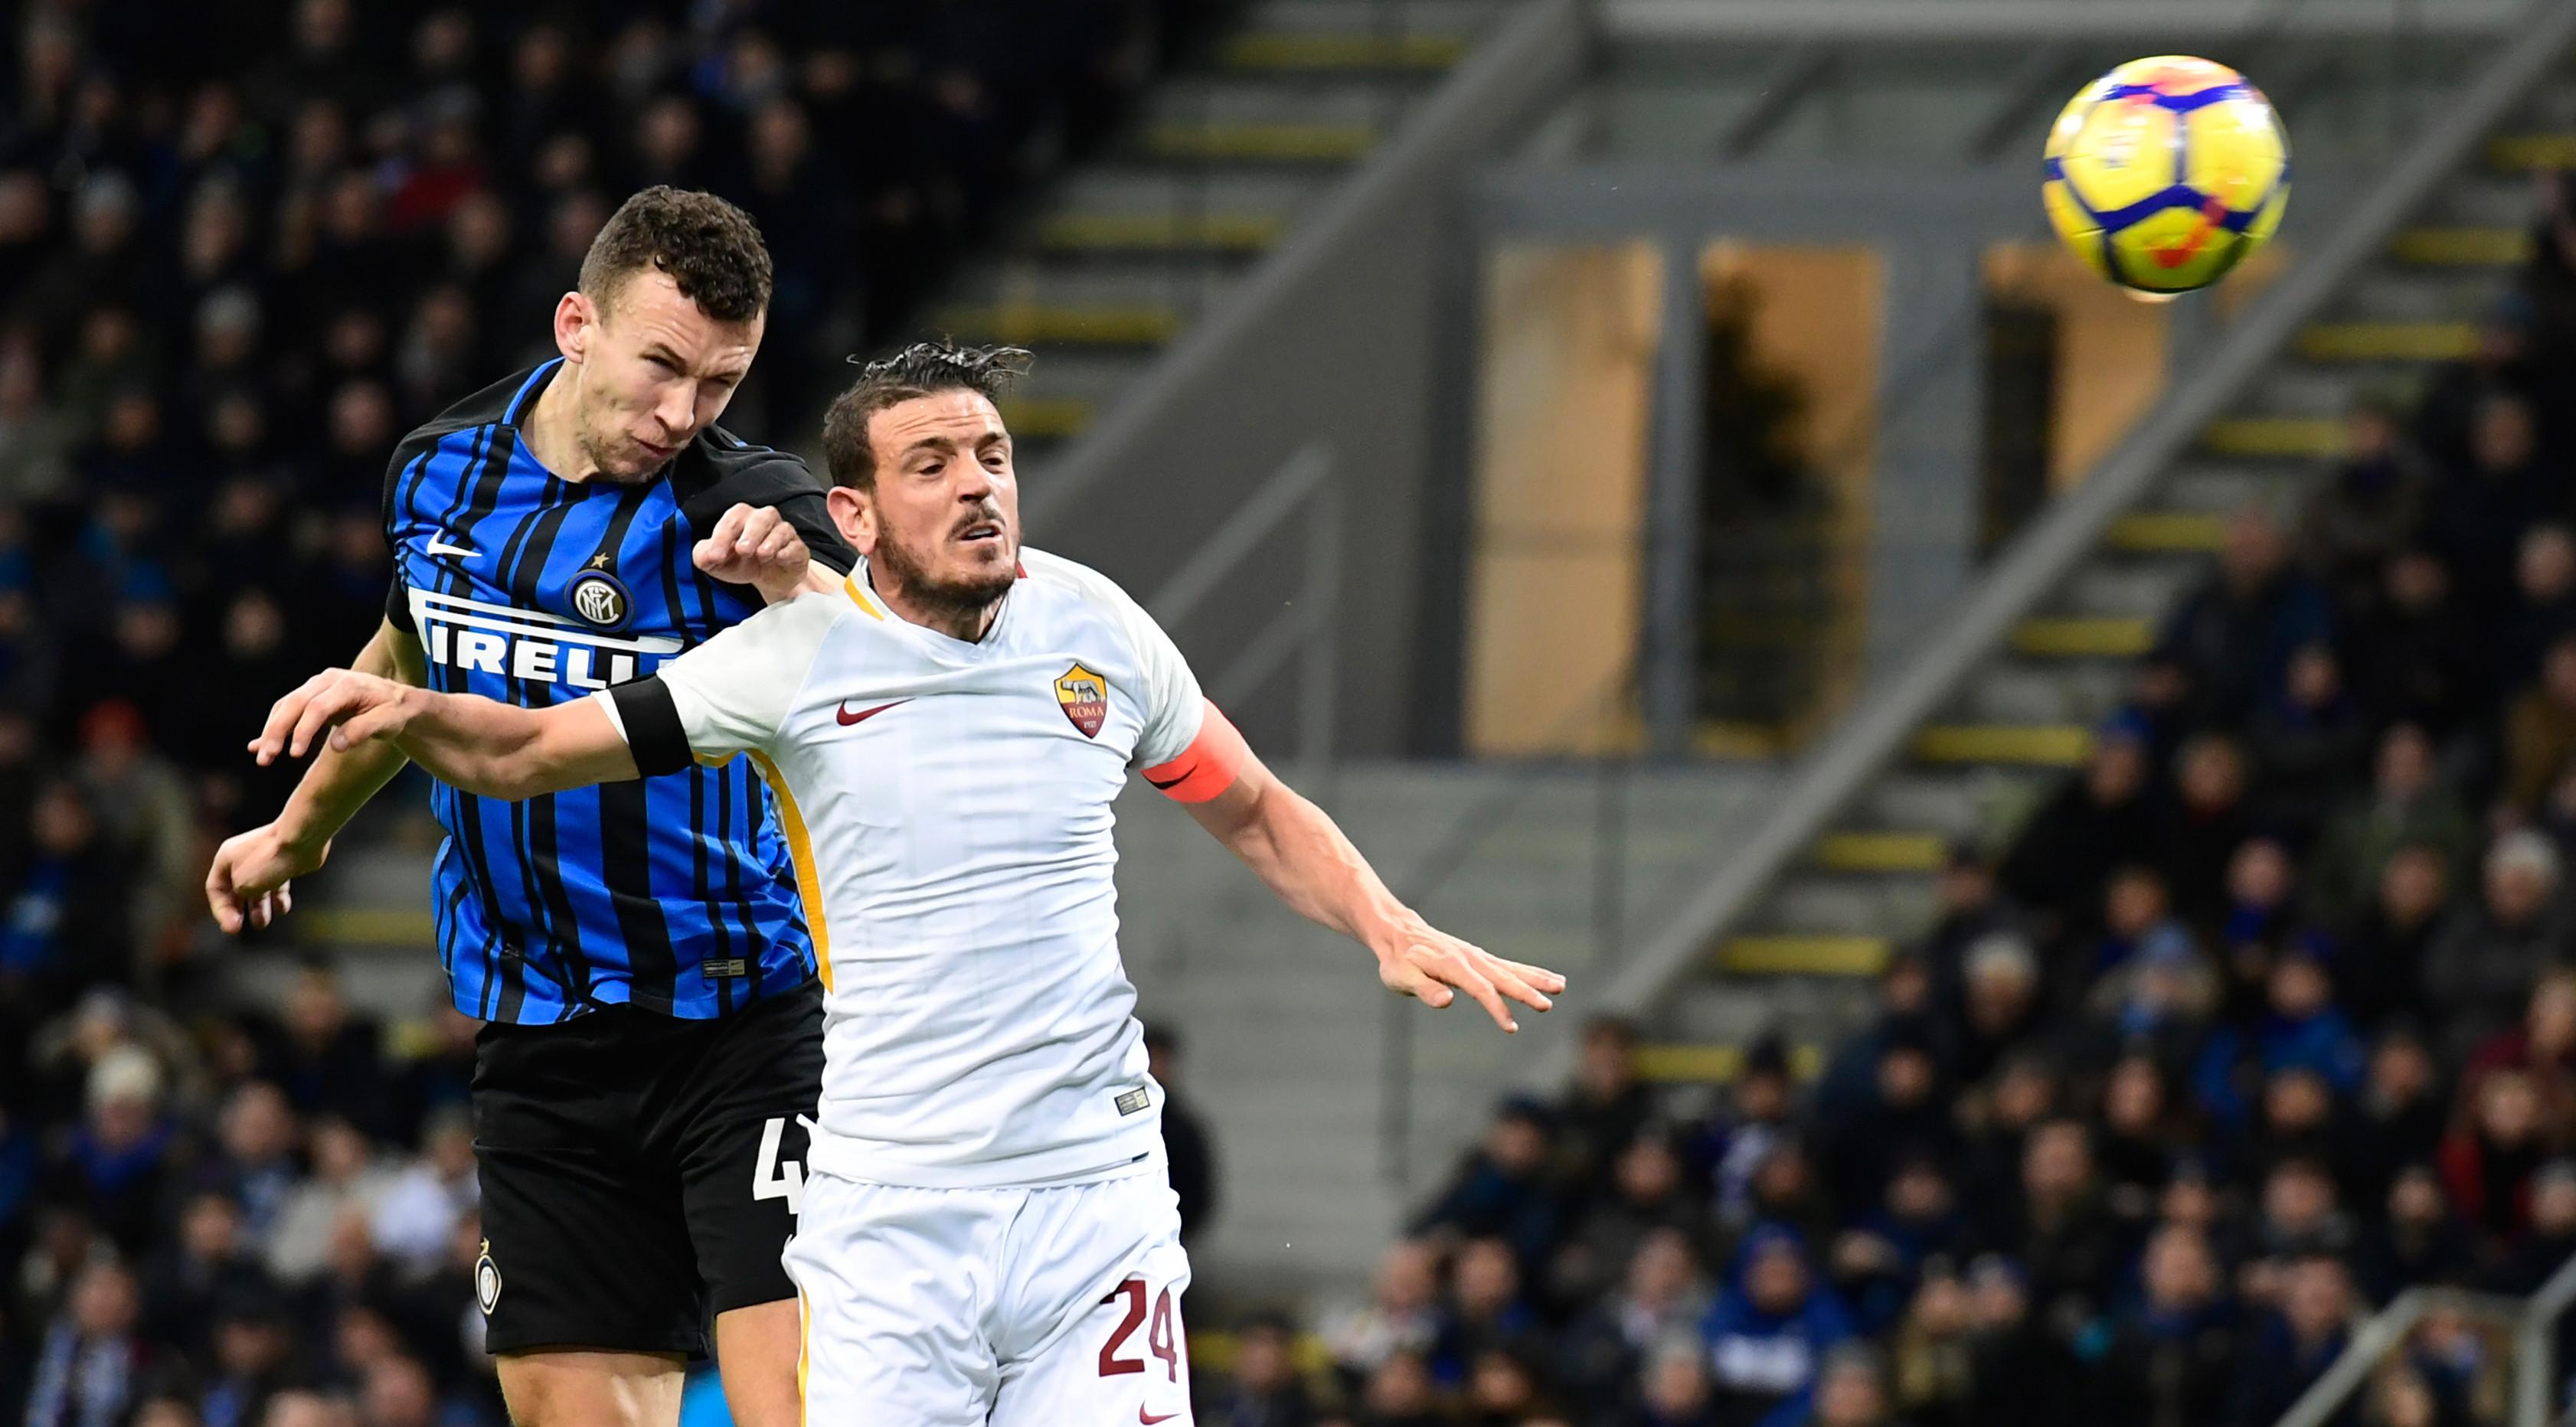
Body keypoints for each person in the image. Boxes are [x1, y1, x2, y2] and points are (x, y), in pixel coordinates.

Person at [244, 340, 1563, 1423]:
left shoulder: (1094, 627)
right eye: (932, 465)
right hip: (883, 1225)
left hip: (1092, 1201)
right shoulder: (791, 660)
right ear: (857, 515)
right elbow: (533, 749)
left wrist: (1388, 924)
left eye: (992, 457)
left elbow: (1259, 810)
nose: (978, 487)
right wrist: (397, 710)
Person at [201, 188, 854, 1427]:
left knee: (804, 1406)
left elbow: (872, 646)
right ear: (576, 325)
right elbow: (406, 661)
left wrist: (798, 587)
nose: (682, 414)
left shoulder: (739, 510)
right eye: (661, 366)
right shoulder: (438, 472)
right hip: (538, 1038)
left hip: (745, 1028)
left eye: (720, 383)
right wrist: (302, 827)